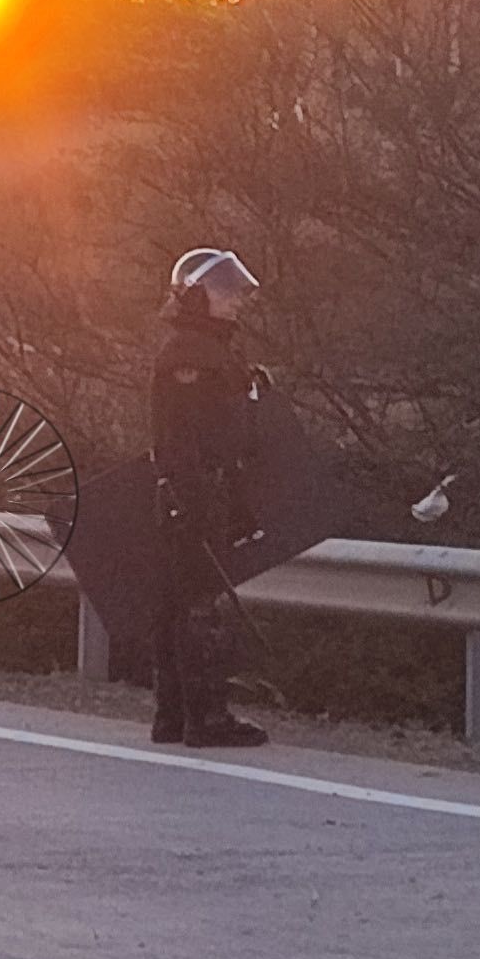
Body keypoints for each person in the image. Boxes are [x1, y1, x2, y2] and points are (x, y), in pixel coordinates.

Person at [150, 249, 270, 748]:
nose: (236, 302)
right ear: (197, 297)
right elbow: (186, 437)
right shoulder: (190, 353)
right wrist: (195, 502)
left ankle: (175, 717)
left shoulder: (205, 349)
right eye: (224, 293)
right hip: (195, 495)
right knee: (201, 607)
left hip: (199, 493)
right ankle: (205, 717)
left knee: (183, 605)